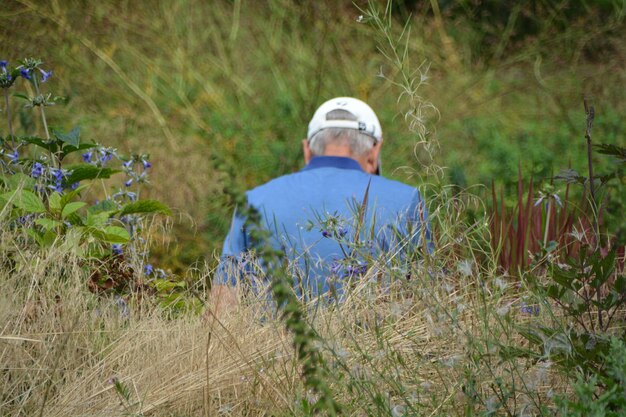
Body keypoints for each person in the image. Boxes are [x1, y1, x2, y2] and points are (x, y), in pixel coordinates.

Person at [211, 97, 431, 311]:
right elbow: (428, 304)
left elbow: (221, 309)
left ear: (307, 150)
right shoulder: (407, 200)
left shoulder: (253, 202)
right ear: (374, 153)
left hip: (274, 347)